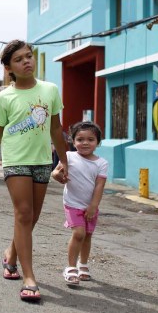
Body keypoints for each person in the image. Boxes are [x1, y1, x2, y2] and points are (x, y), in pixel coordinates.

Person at [0, 39, 69, 303]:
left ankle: (11, 254)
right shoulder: (4, 97)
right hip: (15, 161)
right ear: (9, 69)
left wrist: (64, 161)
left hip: (42, 161)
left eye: (28, 56)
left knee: (32, 218)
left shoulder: (50, 90)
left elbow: (55, 129)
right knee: (24, 213)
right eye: (19, 59)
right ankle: (29, 277)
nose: (27, 61)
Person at [51, 121, 107, 286]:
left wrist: (93, 206)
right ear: (73, 141)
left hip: (90, 206)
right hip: (72, 203)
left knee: (87, 236)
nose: (85, 143)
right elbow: (55, 171)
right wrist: (58, 176)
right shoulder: (68, 156)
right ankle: (70, 268)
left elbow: (99, 186)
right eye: (80, 139)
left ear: (97, 142)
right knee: (79, 234)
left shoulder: (101, 163)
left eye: (90, 139)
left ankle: (83, 265)